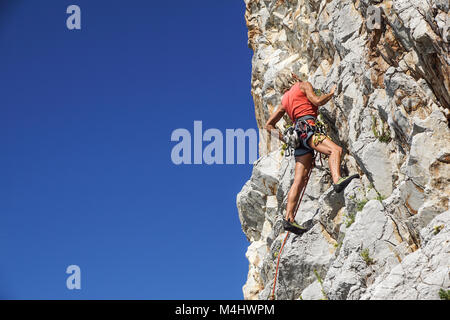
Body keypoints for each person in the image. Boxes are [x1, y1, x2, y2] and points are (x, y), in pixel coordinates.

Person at [264, 71, 359, 235]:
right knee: (335, 150)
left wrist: (285, 139)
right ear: (293, 78)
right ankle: (337, 180)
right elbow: (316, 101)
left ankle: (289, 218)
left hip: (298, 136)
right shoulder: (303, 85)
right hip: (308, 128)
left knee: (299, 179)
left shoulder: (284, 100)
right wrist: (330, 93)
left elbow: (268, 126)